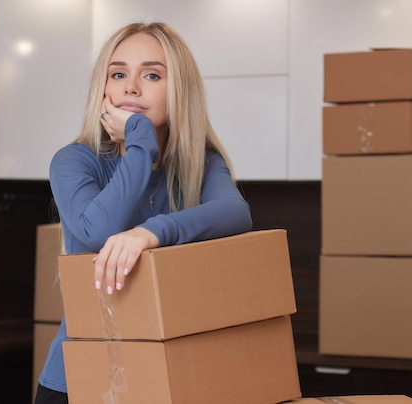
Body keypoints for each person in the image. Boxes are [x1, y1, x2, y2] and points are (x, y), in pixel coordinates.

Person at [34, 21, 253, 403]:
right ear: (103, 89)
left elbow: (236, 214)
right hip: (80, 382)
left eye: (152, 74)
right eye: (118, 74)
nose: (131, 87)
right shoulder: (74, 161)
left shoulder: (202, 165)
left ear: (180, 89)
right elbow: (99, 231)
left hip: (169, 374)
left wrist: (151, 232)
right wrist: (140, 137)